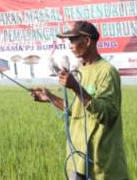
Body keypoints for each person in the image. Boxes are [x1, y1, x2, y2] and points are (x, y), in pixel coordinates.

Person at [30, 21, 129, 180]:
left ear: (88, 41)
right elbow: (76, 109)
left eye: (74, 40)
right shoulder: (80, 71)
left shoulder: (107, 72)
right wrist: (50, 97)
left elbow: (108, 114)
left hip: (100, 165)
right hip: (76, 160)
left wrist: (76, 87)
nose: (70, 45)